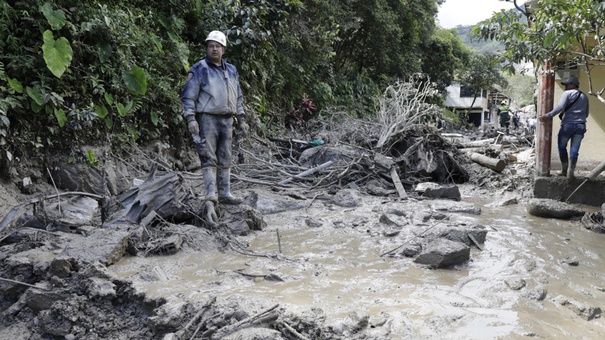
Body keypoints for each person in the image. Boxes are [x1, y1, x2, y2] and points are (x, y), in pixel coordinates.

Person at [181, 30, 249, 204]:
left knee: (225, 156)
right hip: (207, 119)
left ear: (223, 49)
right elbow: (188, 97)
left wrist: (241, 119)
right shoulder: (199, 69)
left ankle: (225, 193)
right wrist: (191, 119)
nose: (214, 49)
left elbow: (238, 96)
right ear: (206, 48)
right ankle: (211, 194)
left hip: (227, 119)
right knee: (208, 156)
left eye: (217, 46)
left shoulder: (232, 70)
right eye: (211, 46)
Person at [539, 76, 589, 179]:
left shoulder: (566, 94)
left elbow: (560, 107)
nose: (565, 86)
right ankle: (571, 173)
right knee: (574, 150)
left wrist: (547, 116)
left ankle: (564, 170)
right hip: (580, 126)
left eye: (567, 84)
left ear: (573, 85)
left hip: (568, 125)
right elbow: (586, 113)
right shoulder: (584, 96)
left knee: (562, 146)